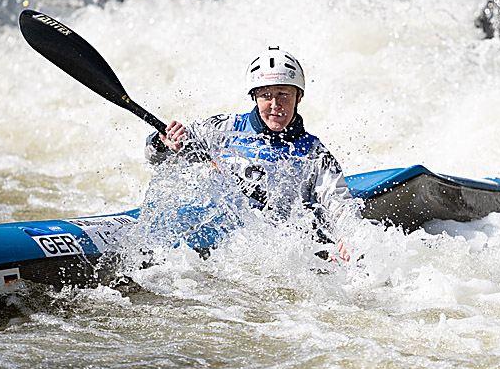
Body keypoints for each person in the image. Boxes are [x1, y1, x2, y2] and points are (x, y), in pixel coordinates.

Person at [144, 46, 362, 261]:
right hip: (220, 241)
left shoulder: (314, 152)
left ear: (299, 96)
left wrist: (349, 236)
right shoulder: (224, 129)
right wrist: (163, 143)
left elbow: (339, 203)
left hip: (275, 250)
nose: (275, 105)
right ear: (255, 97)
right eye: (266, 95)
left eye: (283, 94)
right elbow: (153, 157)